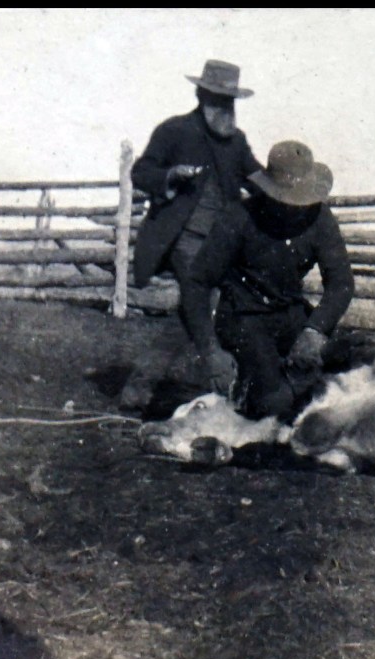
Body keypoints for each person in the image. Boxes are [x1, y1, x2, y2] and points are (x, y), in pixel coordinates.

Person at [122, 59, 262, 409]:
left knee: (191, 311)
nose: (224, 109)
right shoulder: (175, 131)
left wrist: (284, 189)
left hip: (220, 241)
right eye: (217, 100)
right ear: (201, 96)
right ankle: (220, 379)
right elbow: (141, 172)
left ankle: (139, 386)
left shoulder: (237, 141)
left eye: (229, 101)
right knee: (200, 301)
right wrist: (171, 175)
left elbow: (255, 177)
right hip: (181, 236)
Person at [184, 140, 355, 420]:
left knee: (342, 378)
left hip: (290, 314)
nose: (295, 208)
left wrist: (315, 332)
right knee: (272, 405)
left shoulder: (320, 218)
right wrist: (211, 351)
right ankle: (252, 391)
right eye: (287, 200)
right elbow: (197, 282)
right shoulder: (239, 217)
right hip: (243, 317)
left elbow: (341, 282)